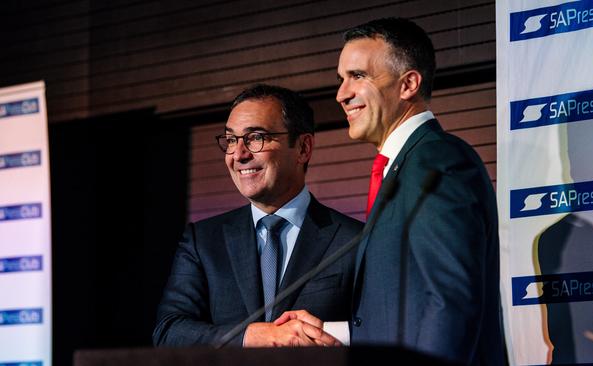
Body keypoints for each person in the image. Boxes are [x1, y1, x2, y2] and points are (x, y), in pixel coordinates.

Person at [276, 18, 504, 364]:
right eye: (341, 79)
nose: (341, 94)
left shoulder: (438, 161)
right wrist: (332, 332)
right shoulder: (406, 165)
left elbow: (449, 300)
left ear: (408, 84)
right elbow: (411, 307)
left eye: (358, 76)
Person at [153, 84, 363, 347]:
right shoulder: (203, 241)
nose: (239, 155)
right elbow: (169, 332)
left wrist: (330, 333)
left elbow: (380, 327)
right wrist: (253, 336)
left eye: (256, 137)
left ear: (303, 148)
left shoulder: (355, 240)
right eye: (231, 140)